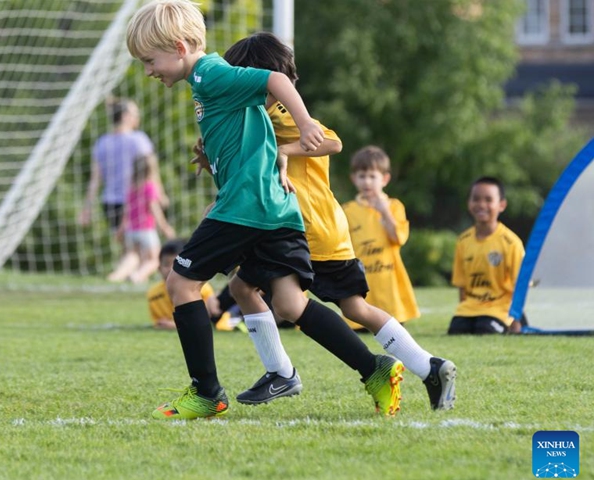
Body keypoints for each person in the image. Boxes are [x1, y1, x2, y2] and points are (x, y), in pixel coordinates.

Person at [126, 0, 342, 420]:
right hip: (257, 206)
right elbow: (247, 138)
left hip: (247, 207)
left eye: (150, 61)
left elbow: (276, 78)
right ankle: (373, 367)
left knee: (182, 282)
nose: (149, 71)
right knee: (286, 302)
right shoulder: (202, 80)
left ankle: (207, 391)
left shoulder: (208, 72)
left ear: (179, 46)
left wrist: (308, 124)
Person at [220, 32, 456, 412]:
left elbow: (333, 142)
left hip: (306, 227)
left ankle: (288, 373)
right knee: (351, 308)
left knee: (276, 300)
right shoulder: (260, 115)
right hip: (326, 228)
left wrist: (285, 150)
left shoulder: (278, 113)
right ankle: (428, 366)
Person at [78, 98, 168, 276]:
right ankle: (120, 278)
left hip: (110, 203)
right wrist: (160, 194)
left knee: (129, 251)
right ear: (126, 116)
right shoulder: (138, 139)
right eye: (136, 114)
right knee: (141, 253)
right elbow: (151, 170)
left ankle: (123, 280)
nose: (138, 118)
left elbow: (95, 180)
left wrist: (87, 208)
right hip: (137, 201)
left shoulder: (102, 142)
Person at [342, 146, 420, 329]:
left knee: (393, 327)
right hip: (362, 278)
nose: (367, 182)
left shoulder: (394, 206)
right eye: (362, 176)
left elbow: (398, 238)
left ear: (385, 179)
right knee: (361, 322)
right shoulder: (348, 210)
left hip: (389, 279)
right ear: (353, 179)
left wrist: (384, 211)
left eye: (372, 176)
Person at [448, 176, 525, 335]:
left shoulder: (511, 243)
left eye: (488, 200)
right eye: (476, 199)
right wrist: (463, 309)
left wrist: (517, 321)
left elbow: (520, 285)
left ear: (501, 205)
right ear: (469, 203)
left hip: (498, 308)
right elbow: (462, 285)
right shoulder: (463, 241)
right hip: (470, 308)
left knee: (485, 329)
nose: (481, 205)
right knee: (456, 331)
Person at [147, 239, 242, 331]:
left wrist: (176, 325)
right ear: (159, 268)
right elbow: (160, 322)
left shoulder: (200, 287)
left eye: (175, 264)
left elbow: (212, 311)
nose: (171, 269)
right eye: (166, 265)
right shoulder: (154, 294)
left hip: (218, 322)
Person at [108, 155, 176, 283]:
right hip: (146, 229)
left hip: (131, 230)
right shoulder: (149, 186)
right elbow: (153, 208)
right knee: (154, 259)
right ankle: (136, 277)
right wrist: (164, 227)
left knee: (133, 257)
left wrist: (121, 229)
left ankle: (116, 276)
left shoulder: (132, 188)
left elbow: (126, 211)